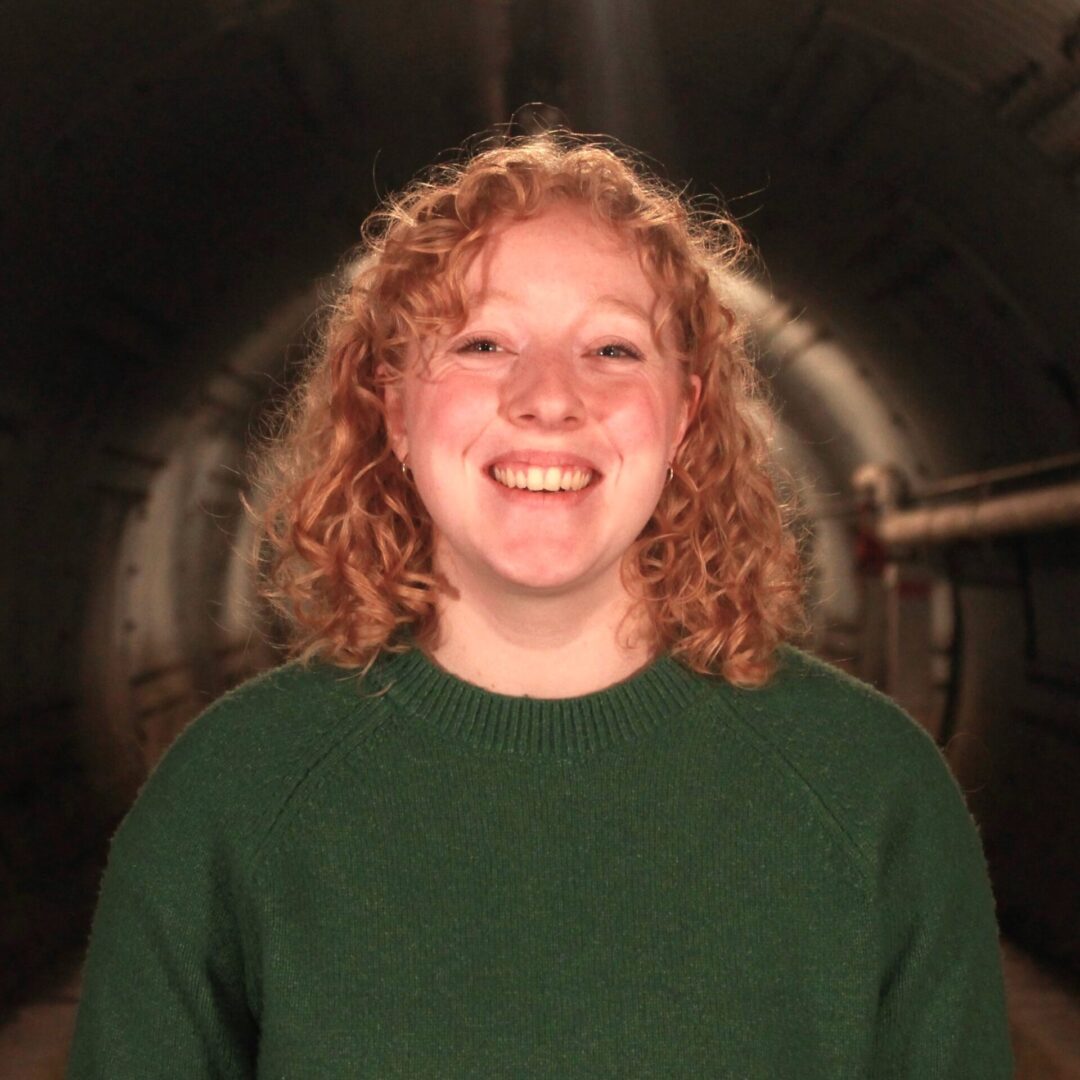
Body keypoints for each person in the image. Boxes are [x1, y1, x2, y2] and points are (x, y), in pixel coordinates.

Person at [67, 133, 1013, 1078]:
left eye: (611, 347)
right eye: (483, 342)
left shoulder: (872, 795)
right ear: (394, 406)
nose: (549, 398)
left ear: (685, 414)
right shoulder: (228, 800)